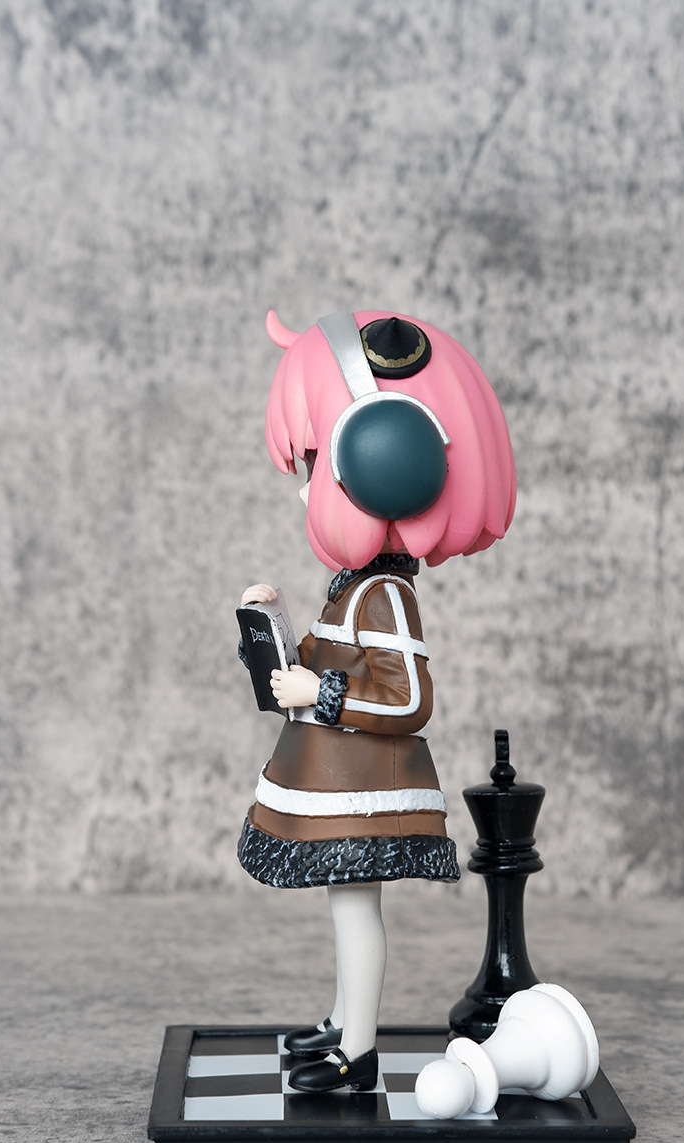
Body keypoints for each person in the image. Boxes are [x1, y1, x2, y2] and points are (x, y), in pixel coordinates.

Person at [238, 307, 515, 1092]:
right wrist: (274, 634)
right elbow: (329, 663)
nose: (304, 491)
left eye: (316, 465)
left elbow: (408, 700)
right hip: (341, 785)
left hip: (365, 792)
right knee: (345, 905)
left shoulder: (385, 594)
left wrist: (319, 692)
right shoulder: (357, 588)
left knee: (356, 910)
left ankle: (357, 1052)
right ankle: (342, 1023)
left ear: (378, 458)